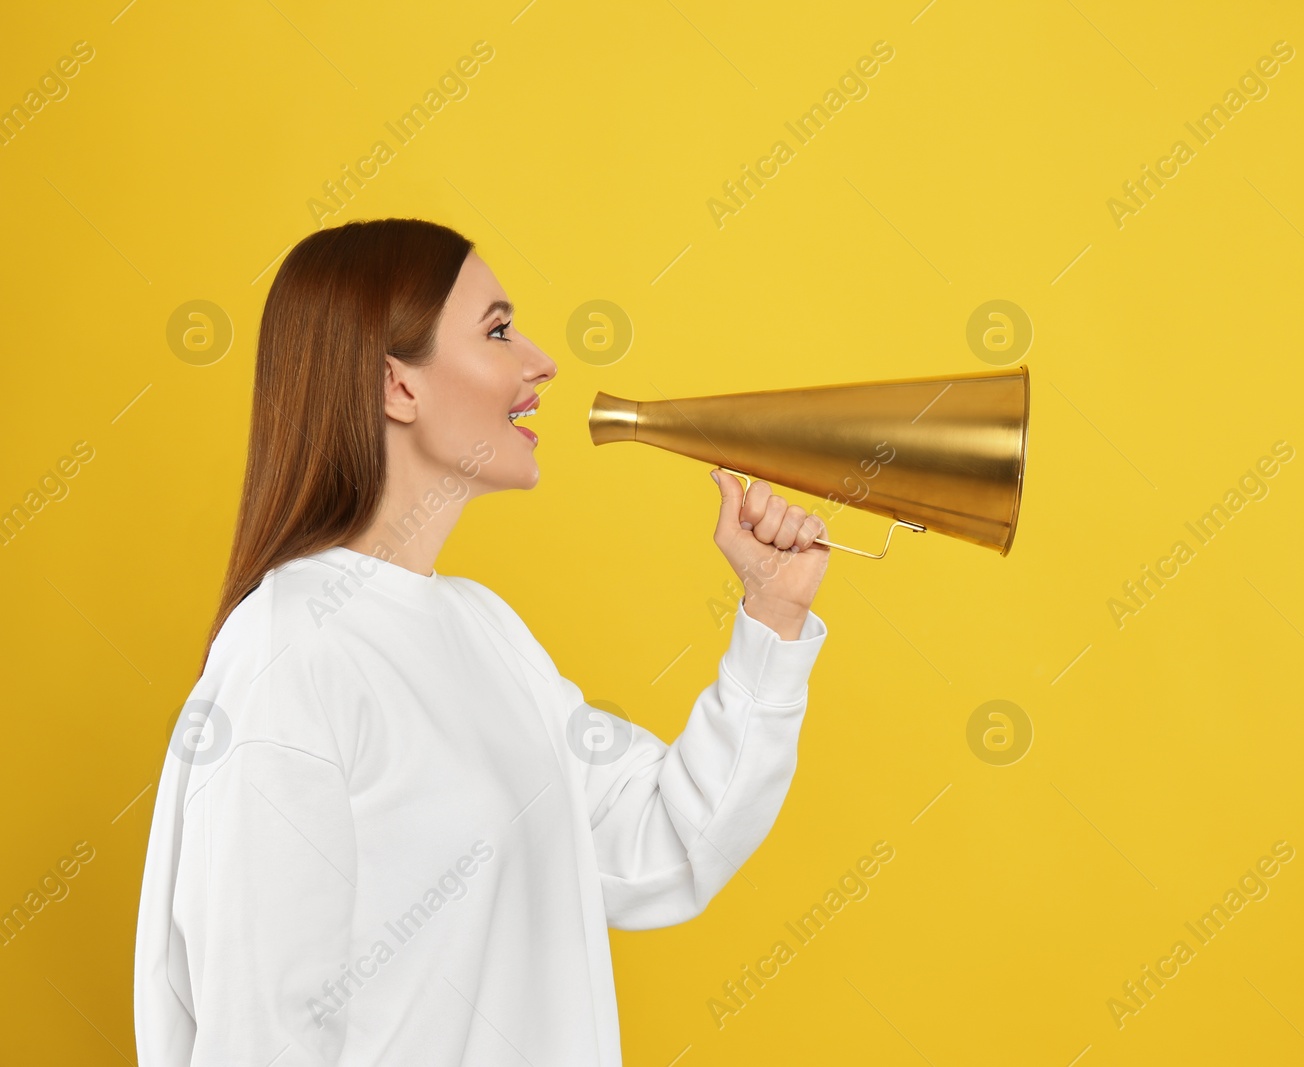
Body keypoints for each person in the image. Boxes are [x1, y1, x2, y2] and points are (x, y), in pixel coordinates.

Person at [133, 218, 831, 1065]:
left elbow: (665, 844)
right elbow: (263, 1036)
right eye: (498, 331)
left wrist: (772, 616)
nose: (541, 361)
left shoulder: (482, 627)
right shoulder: (291, 651)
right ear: (398, 386)